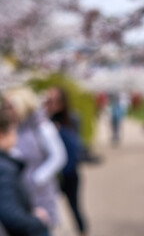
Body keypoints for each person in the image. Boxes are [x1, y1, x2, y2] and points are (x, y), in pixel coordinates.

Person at [4, 87, 66, 232]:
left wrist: (38, 177)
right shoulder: (15, 126)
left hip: (39, 190)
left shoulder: (41, 125)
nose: (8, 111)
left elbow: (58, 155)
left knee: (40, 225)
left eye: (11, 107)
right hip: (19, 190)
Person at [0, 95, 49, 236]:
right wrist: (36, 221)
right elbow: (9, 213)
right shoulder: (4, 168)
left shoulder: (39, 126)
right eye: (13, 130)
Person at [45, 87, 88, 236]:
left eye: (54, 100)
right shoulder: (43, 121)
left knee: (74, 207)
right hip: (51, 175)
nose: (50, 103)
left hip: (69, 173)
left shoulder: (72, 119)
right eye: (48, 100)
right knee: (47, 208)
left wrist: (59, 130)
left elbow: (76, 145)